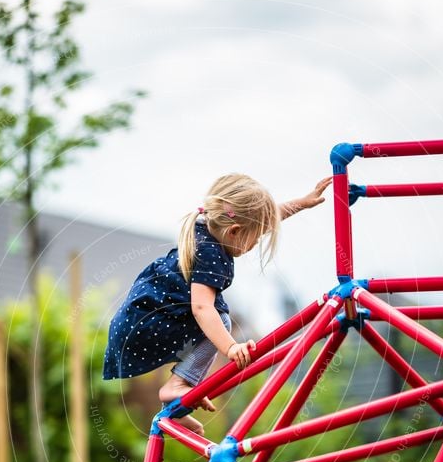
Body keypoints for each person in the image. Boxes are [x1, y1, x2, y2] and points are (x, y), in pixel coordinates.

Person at [103, 172, 332, 435]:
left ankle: (181, 395)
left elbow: (260, 220)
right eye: (256, 237)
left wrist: (302, 203)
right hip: (146, 324)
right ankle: (177, 386)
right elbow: (201, 308)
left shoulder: (208, 223)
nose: (257, 241)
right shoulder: (210, 254)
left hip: (139, 319)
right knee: (219, 320)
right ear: (235, 232)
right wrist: (231, 347)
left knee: (216, 321)